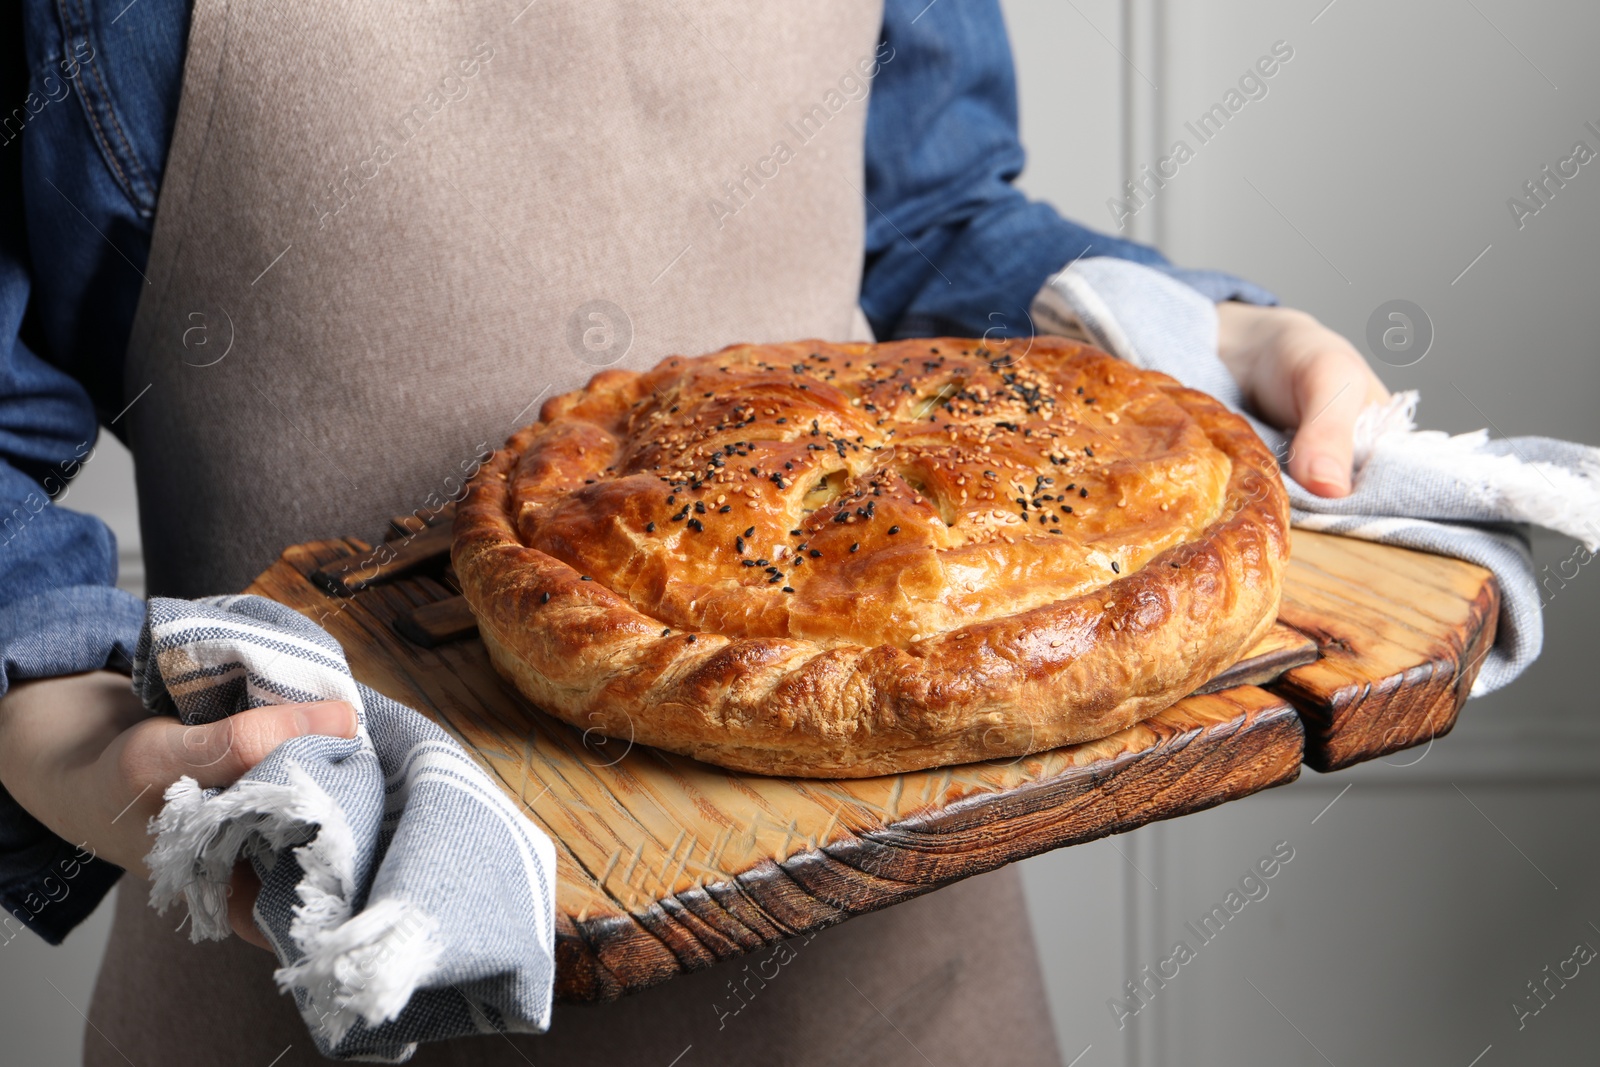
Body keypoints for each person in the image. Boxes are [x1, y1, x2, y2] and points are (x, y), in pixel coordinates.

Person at [0, 0, 1386, 1062]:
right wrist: (44, 722)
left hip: (899, 999)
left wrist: (1210, 338)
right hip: (314, 972)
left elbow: (923, 222)